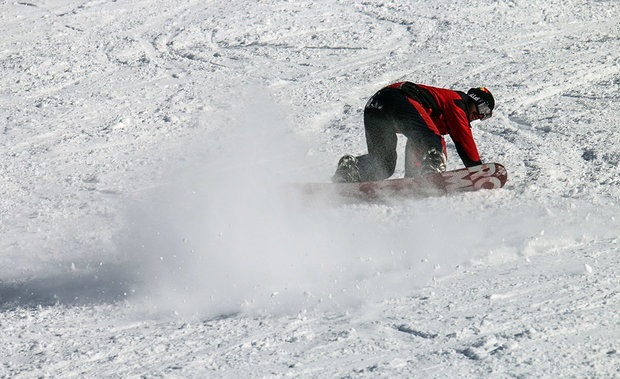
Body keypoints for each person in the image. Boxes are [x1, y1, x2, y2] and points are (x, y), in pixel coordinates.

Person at [332, 82, 495, 183]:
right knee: (432, 140)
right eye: (483, 110)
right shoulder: (459, 103)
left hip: (375, 106)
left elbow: (415, 143)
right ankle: (432, 171)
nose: (479, 116)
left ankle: (351, 170)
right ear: (474, 100)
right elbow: (463, 139)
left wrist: (411, 179)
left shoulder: (450, 109)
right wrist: (477, 170)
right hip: (396, 98)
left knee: (384, 164)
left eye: (485, 115)